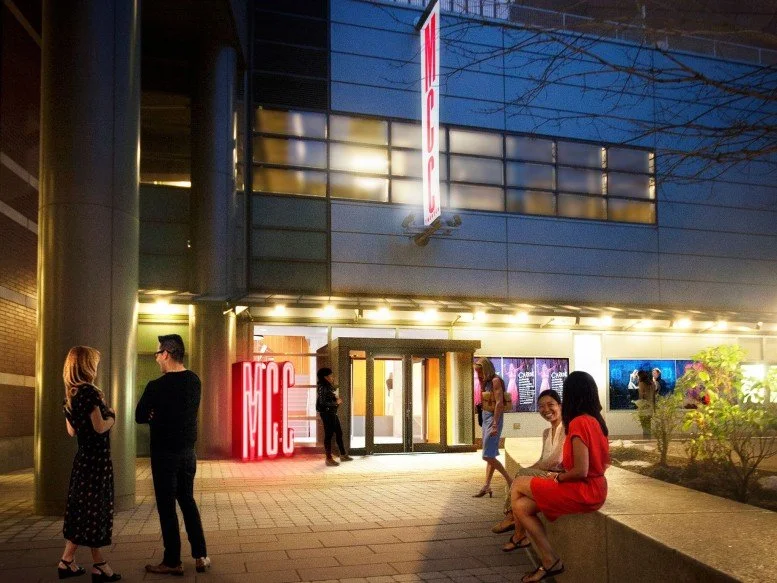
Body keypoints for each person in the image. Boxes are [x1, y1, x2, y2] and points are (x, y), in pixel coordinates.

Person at [507, 371, 610, 582]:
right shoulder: (596, 421)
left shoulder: (579, 422)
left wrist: (558, 479)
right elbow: (601, 463)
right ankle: (548, 559)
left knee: (518, 483)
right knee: (522, 507)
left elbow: (581, 470)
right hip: (595, 487)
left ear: (570, 394)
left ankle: (534, 548)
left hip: (583, 490)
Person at [135, 334, 211, 576]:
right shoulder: (194, 381)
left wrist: (156, 416)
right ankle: (201, 556)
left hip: (163, 454)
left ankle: (172, 561)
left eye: (158, 353)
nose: (157, 358)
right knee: (187, 501)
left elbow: (139, 415)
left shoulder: (156, 386)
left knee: (167, 507)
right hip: (188, 452)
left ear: (166, 354)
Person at [59, 346, 121, 582]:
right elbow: (99, 427)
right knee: (96, 512)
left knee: (83, 511)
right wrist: (112, 416)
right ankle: (99, 565)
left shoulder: (70, 395)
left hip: (82, 461)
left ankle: (68, 561)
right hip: (97, 463)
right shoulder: (90, 393)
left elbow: (71, 431)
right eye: (94, 362)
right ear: (86, 365)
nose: (96, 367)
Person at [494, 390, 565, 538]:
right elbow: (542, 460)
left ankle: (511, 517)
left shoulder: (566, 428)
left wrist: (528, 471)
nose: (546, 410)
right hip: (548, 473)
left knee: (520, 476)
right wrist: (527, 469)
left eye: (550, 404)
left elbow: (556, 460)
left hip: (559, 476)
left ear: (560, 405)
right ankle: (519, 532)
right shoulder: (546, 432)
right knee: (521, 475)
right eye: (541, 406)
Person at [473, 358, 512, 497]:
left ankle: (510, 480)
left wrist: (495, 423)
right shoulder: (487, 381)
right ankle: (486, 486)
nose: (478, 374)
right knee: (489, 452)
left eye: (480, 371)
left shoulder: (495, 381)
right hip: (486, 416)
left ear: (486, 369)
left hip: (493, 418)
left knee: (487, 455)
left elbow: (499, 403)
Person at [316, 367, 353, 466]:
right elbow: (323, 402)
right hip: (327, 414)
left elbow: (328, 398)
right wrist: (336, 402)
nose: (332, 377)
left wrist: (334, 398)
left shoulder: (327, 386)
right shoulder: (323, 387)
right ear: (326, 377)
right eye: (331, 375)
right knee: (329, 435)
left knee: (339, 433)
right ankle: (328, 458)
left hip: (331, 413)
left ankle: (343, 455)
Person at [637, 370, 656, 438]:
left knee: (644, 426)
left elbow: (641, 396)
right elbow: (654, 397)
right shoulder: (652, 383)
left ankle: (646, 441)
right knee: (648, 425)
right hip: (650, 407)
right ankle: (648, 440)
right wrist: (654, 409)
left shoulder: (641, 383)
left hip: (644, 407)